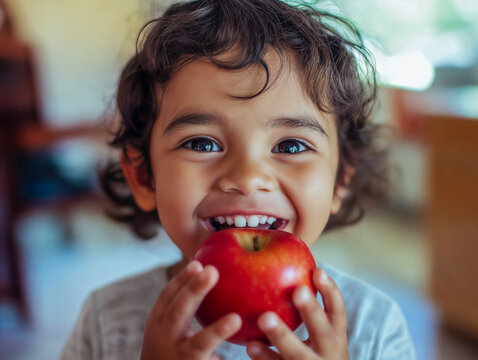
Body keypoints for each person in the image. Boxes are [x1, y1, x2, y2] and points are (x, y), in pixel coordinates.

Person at [61, 0, 416, 359]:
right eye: (201, 143)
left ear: (340, 180)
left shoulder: (373, 329)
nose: (248, 178)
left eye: (291, 145)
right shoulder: (106, 323)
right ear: (143, 177)